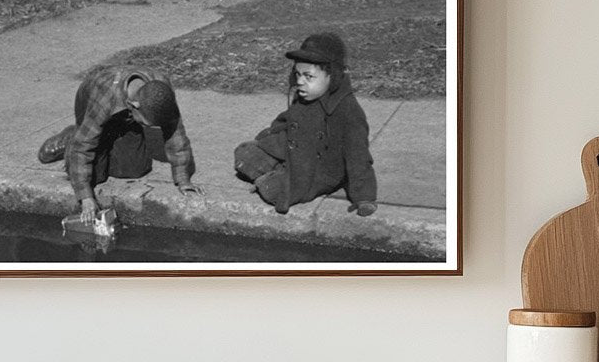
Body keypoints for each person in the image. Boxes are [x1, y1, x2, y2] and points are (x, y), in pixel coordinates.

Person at [234, 32, 377, 216]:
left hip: (319, 170)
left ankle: (275, 177)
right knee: (245, 153)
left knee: (274, 190)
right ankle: (276, 171)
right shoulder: (306, 95)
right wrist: (270, 136)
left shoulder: (347, 111)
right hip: (294, 151)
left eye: (309, 77)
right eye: (298, 75)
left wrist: (364, 197)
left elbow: (359, 156)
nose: (300, 82)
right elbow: (287, 120)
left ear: (332, 76)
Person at [37, 65, 203, 222]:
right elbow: (83, 149)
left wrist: (183, 180)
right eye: (146, 124)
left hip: (125, 115)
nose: (147, 128)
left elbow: (176, 135)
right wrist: (85, 198)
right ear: (134, 105)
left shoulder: (161, 89)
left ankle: (109, 136)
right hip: (93, 106)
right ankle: (72, 135)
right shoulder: (104, 97)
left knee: (134, 169)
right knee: (95, 176)